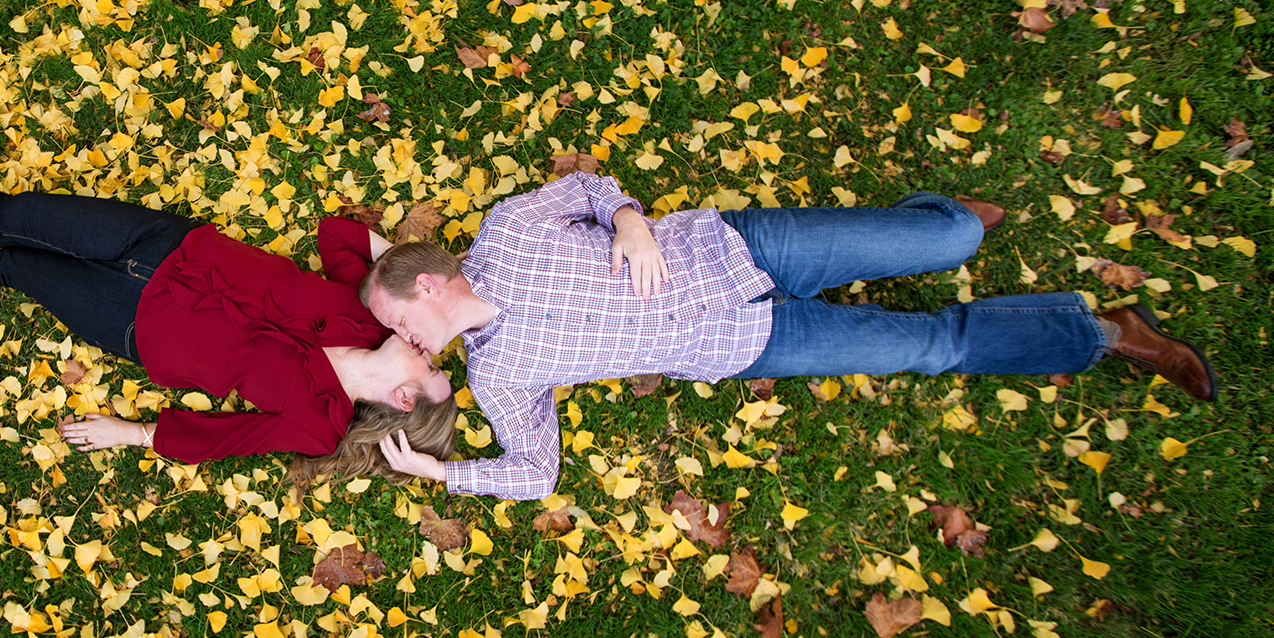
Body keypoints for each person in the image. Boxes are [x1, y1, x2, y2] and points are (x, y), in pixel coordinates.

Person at [358, 171, 1217, 499]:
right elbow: (535, 472)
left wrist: (628, 219)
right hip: (749, 345)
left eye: (399, 320)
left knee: (954, 239)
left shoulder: (507, 229)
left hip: (739, 247)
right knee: (927, 347)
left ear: (426, 283)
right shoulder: (499, 374)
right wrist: (443, 470)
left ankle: (936, 220)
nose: (411, 340)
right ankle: (1109, 334)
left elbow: (587, 182)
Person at [0, 154, 456, 480]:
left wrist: (129, 433)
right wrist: (418, 293)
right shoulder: (370, 316)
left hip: (132, 322)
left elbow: (222, 440)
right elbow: (339, 236)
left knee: (17, 267)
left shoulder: (318, 427)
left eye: (431, 368)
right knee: (19, 216)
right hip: (169, 244)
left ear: (403, 399)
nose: (429, 348)